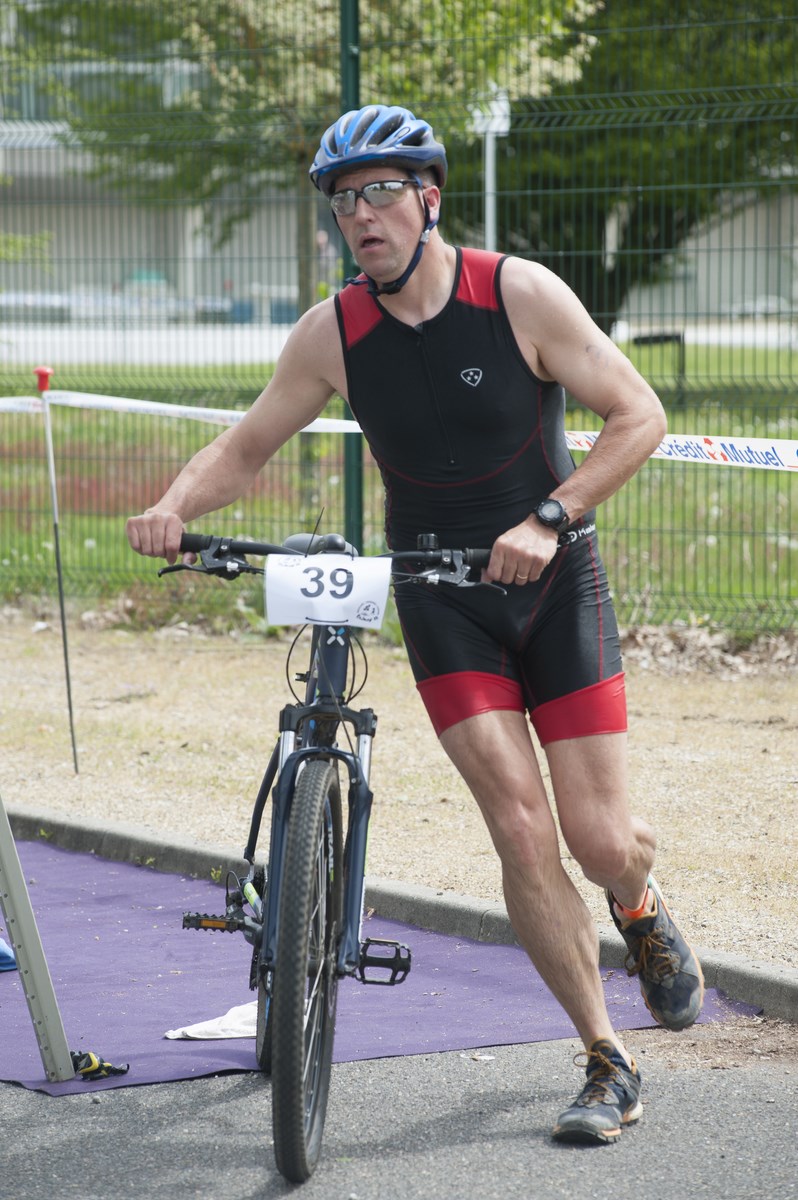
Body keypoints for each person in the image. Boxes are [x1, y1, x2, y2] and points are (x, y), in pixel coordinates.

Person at [126, 104, 704, 1144]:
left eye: (382, 192)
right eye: (344, 201)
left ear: (429, 199)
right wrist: (174, 504)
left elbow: (640, 416)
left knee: (600, 838)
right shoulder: (333, 333)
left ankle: (638, 902)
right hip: (441, 601)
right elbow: (246, 448)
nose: (362, 216)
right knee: (520, 831)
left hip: (555, 587)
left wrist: (550, 517)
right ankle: (607, 1058)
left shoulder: (516, 293)